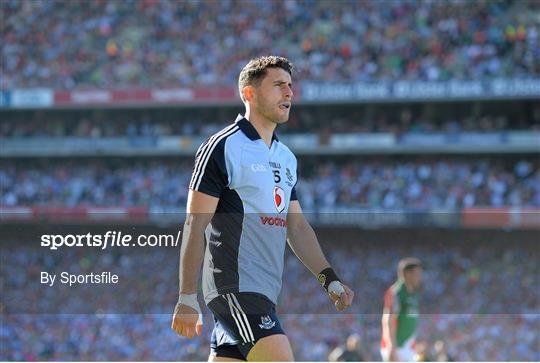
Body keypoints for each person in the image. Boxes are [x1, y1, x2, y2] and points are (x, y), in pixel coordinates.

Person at [170, 55, 355, 361]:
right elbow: (194, 224)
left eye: (290, 86)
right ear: (249, 94)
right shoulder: (222, 146)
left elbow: (296, 227)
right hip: (234, 287)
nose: (289, 93)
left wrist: (329, 278)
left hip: (265, 293)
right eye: (278, 85)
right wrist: (187, 296)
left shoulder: (286, 157)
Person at [381, 258, 423, 362]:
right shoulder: (396, 292)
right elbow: (388, 320)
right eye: (417, 274)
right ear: (407, 274)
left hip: (408, 347)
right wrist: (391, 347)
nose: (420, 277)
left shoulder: (414, 294)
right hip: (397, 348)